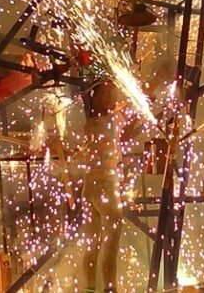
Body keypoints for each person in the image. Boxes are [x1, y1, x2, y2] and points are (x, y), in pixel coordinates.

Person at [81, 79, 124, 293]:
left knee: (92, 244)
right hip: (105, 184)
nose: (112, 99)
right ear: (95, 98)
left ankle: (88, 289)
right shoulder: (110, 121)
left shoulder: (90, 123)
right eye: (107, 95)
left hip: (89, 186)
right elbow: (130, 124)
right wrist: (156, 82)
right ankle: (110, 290)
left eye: (113, 95)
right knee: (111, 240)